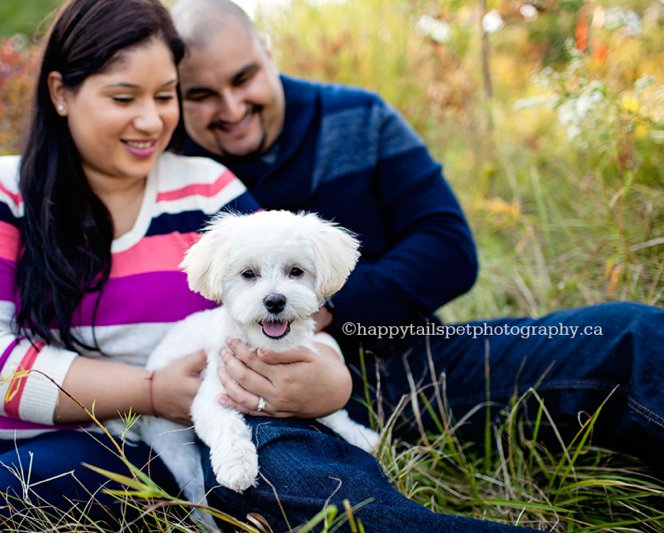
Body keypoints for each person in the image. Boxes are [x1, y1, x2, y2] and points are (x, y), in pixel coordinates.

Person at [170, 0, 664, 530]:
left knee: (629, 336)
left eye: (243, 78)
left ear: (268, 51)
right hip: (265, 388)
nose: (230, 106)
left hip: (413, 355)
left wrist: (322, 307)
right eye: (200, 95)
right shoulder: (172, 167)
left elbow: (449, 247)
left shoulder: (359, 117)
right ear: (176, 98)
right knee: (276, 480)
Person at [0, 0, 270, 530]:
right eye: (123, 97)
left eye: (165, 96)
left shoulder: (210, 193)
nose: (151, 120)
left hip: (127, 443)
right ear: (60, 92)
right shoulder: (0, 190)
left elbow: (287, 300)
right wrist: (150, 390)